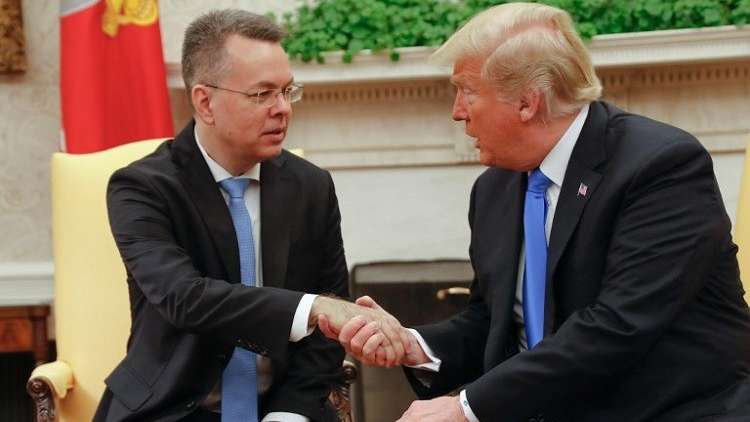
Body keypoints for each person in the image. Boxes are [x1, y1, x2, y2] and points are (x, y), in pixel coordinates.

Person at [323, 3, 750, 421]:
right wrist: (413, 345)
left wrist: (465, 408)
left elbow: (618, 326)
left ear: (527, 103)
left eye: (467, 91)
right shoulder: (494, 188)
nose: (457, 112)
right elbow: (493, 323)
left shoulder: (660, 167)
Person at [94, 9, 408, 422]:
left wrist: (288, 413)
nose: (283, 109)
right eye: (262, 94)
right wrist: (313, 308)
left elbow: (325, 336)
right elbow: (184, 298)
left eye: (287, 91)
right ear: (205, 102)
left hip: (284, 405)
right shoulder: (142, 187)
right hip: (169, 408)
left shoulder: (311, 186)